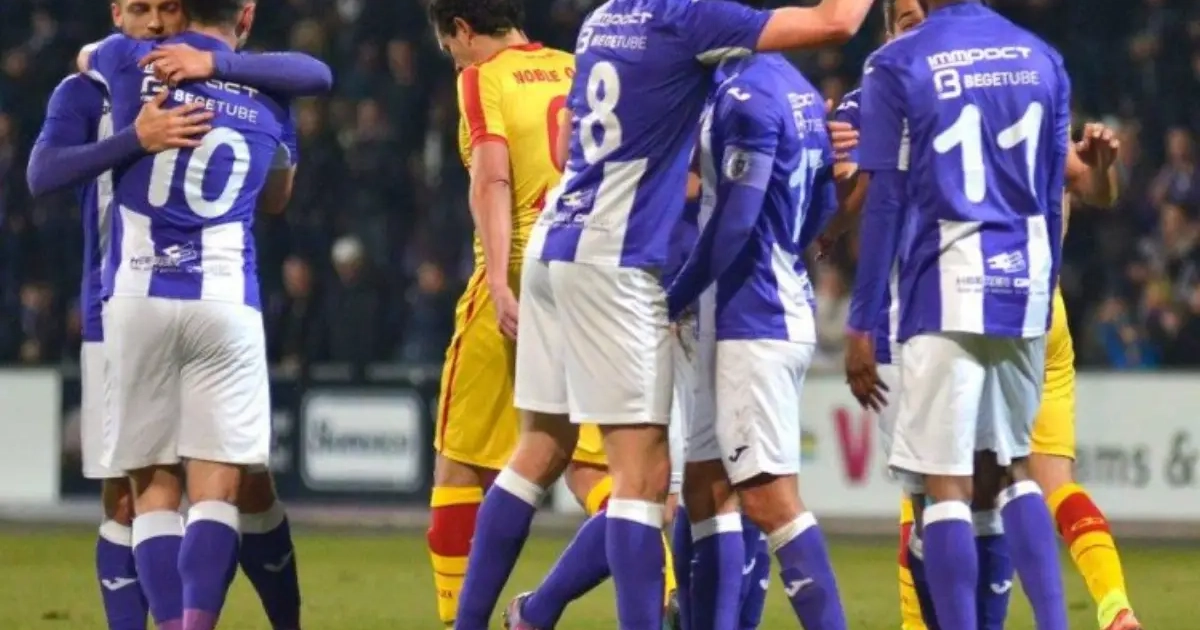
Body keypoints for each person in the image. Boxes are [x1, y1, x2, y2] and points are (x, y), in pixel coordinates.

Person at [460, 0, 875, 625]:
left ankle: (492, 620)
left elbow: (596, 144)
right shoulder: (695, 23)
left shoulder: (604, 18)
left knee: (540, 451)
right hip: (623, 262)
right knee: (646, 479)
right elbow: (835, 23)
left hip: (557, 238)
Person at [829, 2, 1140, 629]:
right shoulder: (1036, 57)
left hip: (940, 291)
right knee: (1012, 473)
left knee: (942, 486)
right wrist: (1040, 286)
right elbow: (1064, 189)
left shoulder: (897, 65)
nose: (912, 22)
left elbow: (880, 201)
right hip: (1023, 292)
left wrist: (860, 319)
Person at [423, 2, 680, 627]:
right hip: (594, 263)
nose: (452, 59)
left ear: (462, 30)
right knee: (600, 467)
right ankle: (663, 584)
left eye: (449, 46)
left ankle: (459, 618)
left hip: (519, 268)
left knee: (463, 462)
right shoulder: (578, 63)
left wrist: (497, 281)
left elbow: (492, 179)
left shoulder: (482, 77)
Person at [77, 0, 331, 627]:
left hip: (136, 299)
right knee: (220, 490)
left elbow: (85, 57)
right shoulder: (273, 91)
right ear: (246, 14)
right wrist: (226, 76)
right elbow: (278, 196)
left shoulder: (130, 58)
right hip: (225, 299)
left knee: (152, 493)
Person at [664, 30, 843, 629]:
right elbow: (823, 204)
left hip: (752, 315)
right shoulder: (799, 90)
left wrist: (673, 297)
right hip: (759, 307)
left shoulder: (746, 96)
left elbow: (736, 222)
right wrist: (790, 245)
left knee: (769, 500)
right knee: (705, 486)